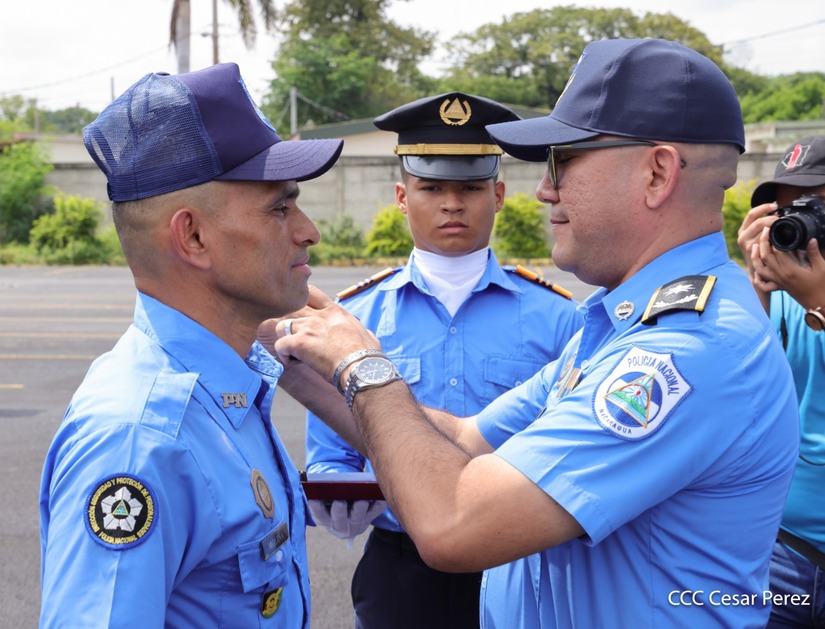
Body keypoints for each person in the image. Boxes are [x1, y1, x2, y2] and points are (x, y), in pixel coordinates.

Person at [261, 38, 800, 627]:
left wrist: (364, 366)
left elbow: (453, 523)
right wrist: (310, 365)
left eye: (562, 161)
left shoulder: (688, 350)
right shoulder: (616, 325)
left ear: (657, 172)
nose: (544, 189)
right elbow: (466, 440)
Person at [38, 62, 343, 627]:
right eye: (280, 207)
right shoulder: (140, 439)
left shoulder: (229, 384)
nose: (308, 230)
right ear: (194, 236)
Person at [304, 92, 583, 629]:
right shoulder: (355, 319)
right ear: (401, 197)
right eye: (431, 187)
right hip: (401, 567)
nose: (451, 203)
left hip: (522, 561)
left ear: (498, 195)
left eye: (470, 188)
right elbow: (331, 452)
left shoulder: (561, 320)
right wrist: (336, 493)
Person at [737, 135, 825, 628]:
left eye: (814, 206)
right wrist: (758, 290)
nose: (801, 222)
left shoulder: (809, 289)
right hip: (783, 552)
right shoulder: (778, 288)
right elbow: (740, 395)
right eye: (786, 209)